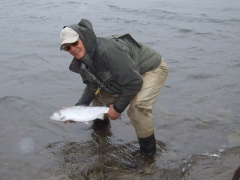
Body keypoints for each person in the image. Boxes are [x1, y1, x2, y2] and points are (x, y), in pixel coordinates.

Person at [59, 19, 168, 156]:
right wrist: (76, 110)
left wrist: (117, 108)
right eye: (68, 47)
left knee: (138, 108)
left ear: (84, 39)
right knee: (98, 100)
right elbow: (92, 86)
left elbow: (134, 83)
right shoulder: (82, 62)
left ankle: (147, 156)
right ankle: (101, 140)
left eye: (75, 43)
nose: (73, 49)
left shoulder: (107, 51)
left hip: (151, 68)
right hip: (128, 74)